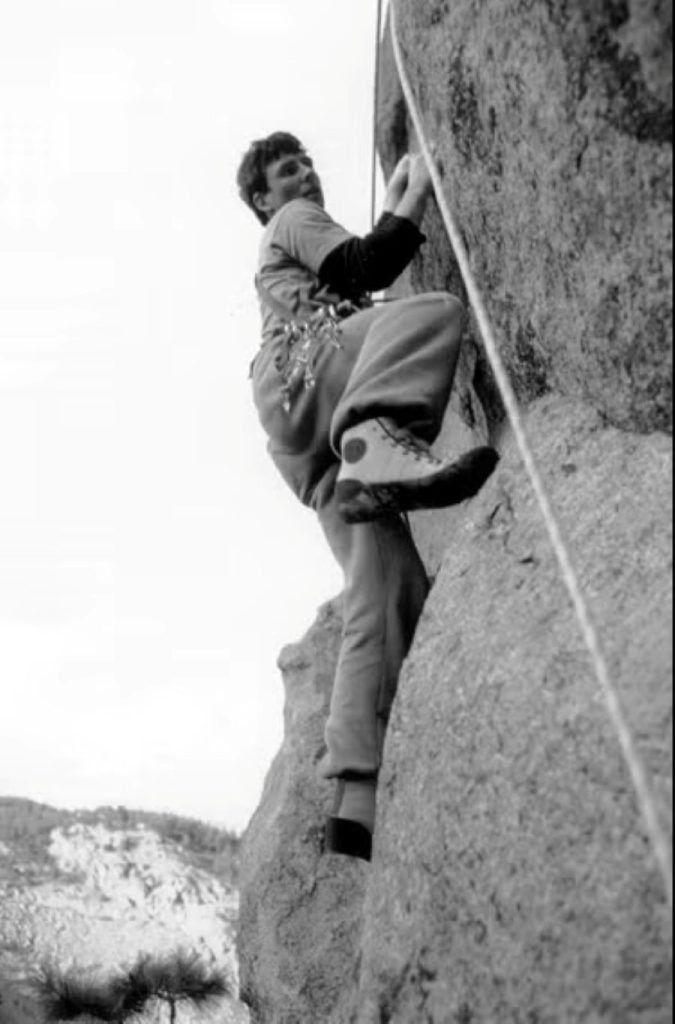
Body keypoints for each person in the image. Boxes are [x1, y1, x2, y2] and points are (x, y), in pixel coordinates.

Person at [236, 132, 497, 862]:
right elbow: (366, 264)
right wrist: (407, 202)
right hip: (305, 375)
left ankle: (356, 795)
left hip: (305, 434)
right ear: (263, 198)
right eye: (286, 170)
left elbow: (352, 278)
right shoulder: (289, 221)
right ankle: (373, 442)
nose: (304, 174)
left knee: (382, 585)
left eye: (307, 163)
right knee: (429, 312)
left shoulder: (290, 244)